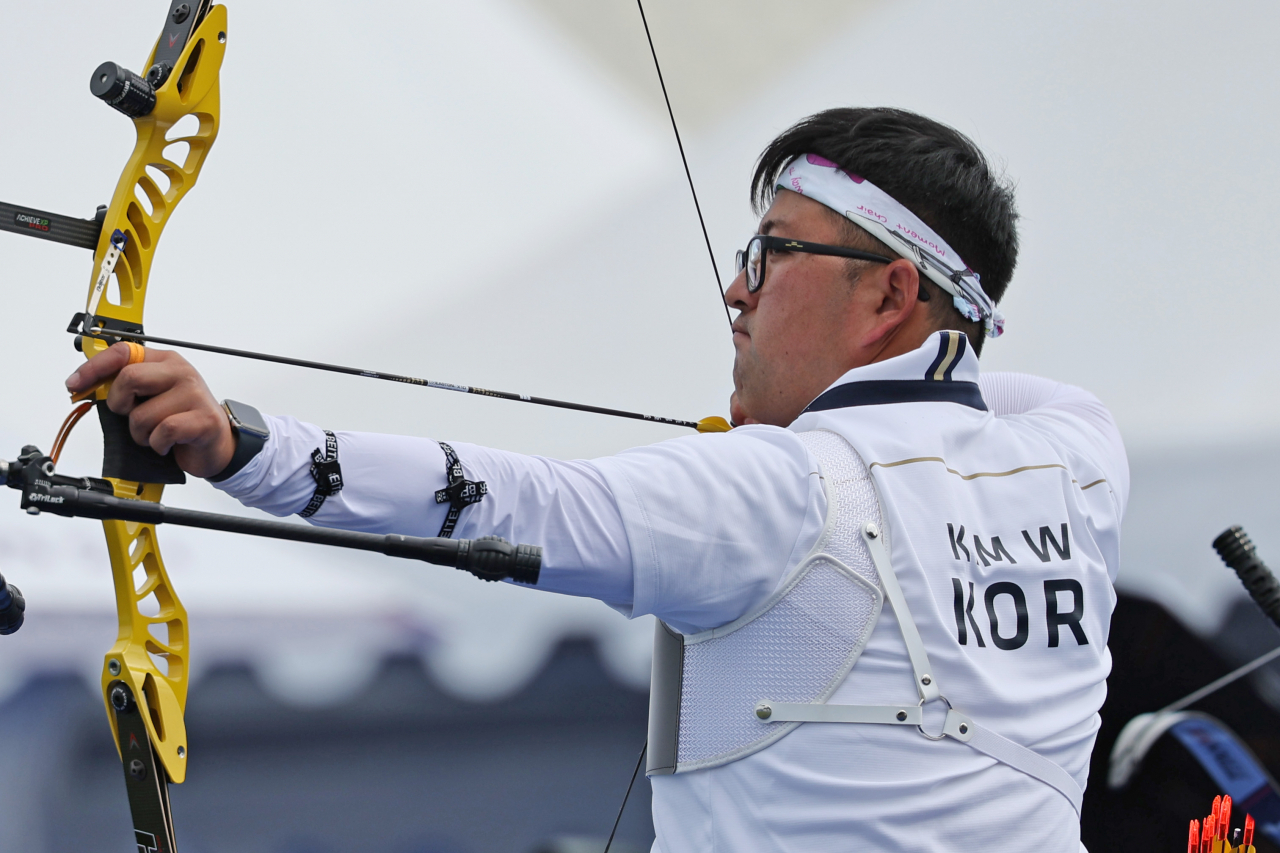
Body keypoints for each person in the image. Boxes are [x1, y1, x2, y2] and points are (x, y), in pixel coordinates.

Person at [66, 107, 1127, 851]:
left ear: (890, 291)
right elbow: (994, 390)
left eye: (768, 255)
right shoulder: (1074, 461)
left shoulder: (776, 488)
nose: (733, 290)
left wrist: (244, 446)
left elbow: (513, 499)